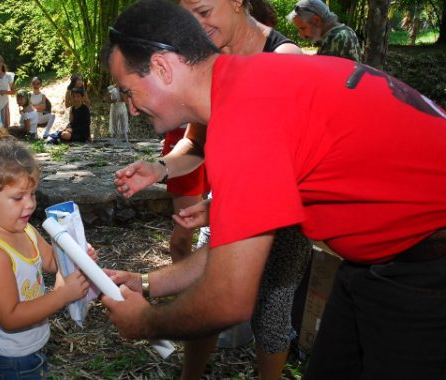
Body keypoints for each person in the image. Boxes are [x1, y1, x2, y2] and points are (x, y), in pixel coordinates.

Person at [102, 1, 446, 379]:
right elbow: (231, 254)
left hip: (425, 266)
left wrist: (145, 323)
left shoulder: (245, 123)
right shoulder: (249, 82)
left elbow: (228, 300)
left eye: (127, 91)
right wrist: (147, 282)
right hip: (378, 261)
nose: (131, 109)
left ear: (162, 68)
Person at [142, 1, 309, 379]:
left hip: (287, 209)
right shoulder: (209, 60)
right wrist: (158, 168)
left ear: (237, 2)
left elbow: (286, 162)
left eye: (203, 11)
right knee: (207, 296)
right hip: (228, 203)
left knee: (271, 311)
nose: (196, 27)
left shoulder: (283, 57)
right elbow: (195, 143)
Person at [0, 138, 91, 379]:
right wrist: (62, 295)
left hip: (29, 349)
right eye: (18, 197)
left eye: (32, 194)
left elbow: (53, 262)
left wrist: (76, 254)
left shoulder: (25, 230)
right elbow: (10, 318)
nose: (31, 204)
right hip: (8, 360)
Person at [288, 0, 362, 62]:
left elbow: (322, 72)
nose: (300, 34)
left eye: (303, 28)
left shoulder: (337, 37)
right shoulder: (342, 32)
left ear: (316, 20)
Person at [0, 54, 16, 127]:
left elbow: (14, 91)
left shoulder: (8, 76)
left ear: (2, 63)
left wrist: (5, 92)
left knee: (5, 125)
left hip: (4, 102)